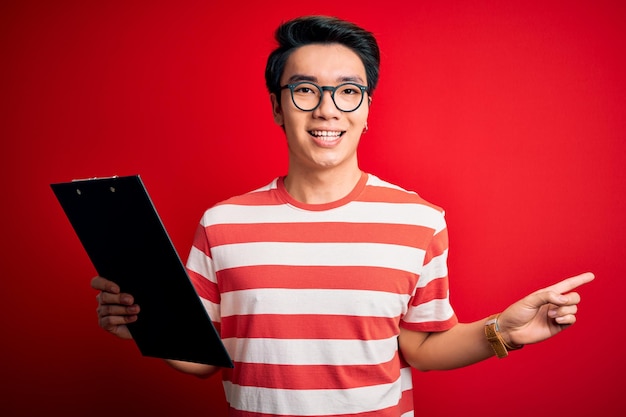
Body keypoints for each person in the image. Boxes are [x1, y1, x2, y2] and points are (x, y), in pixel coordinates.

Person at [91, 15, 594, 417]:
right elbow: (202, 358)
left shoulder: (419, 221)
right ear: (276, 107)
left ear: (367, 108)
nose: (327, 109)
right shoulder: (222, 223)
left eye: (347, 91)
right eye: (304, 90)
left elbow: (420, 347)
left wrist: (502, 331)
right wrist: (142, 325)